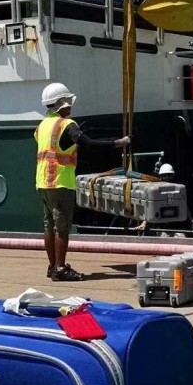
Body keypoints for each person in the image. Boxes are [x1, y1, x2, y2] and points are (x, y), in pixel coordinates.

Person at [35, 82, 130, 281]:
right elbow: (89, 144)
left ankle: (52, 266)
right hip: (61, 182)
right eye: (68, 102)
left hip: (43, 182)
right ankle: (60, 269)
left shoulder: (42, 125)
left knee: (48, 225)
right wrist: (118, 143)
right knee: (62, 227)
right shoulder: (67, 125)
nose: (71, 106)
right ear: (61, 104)